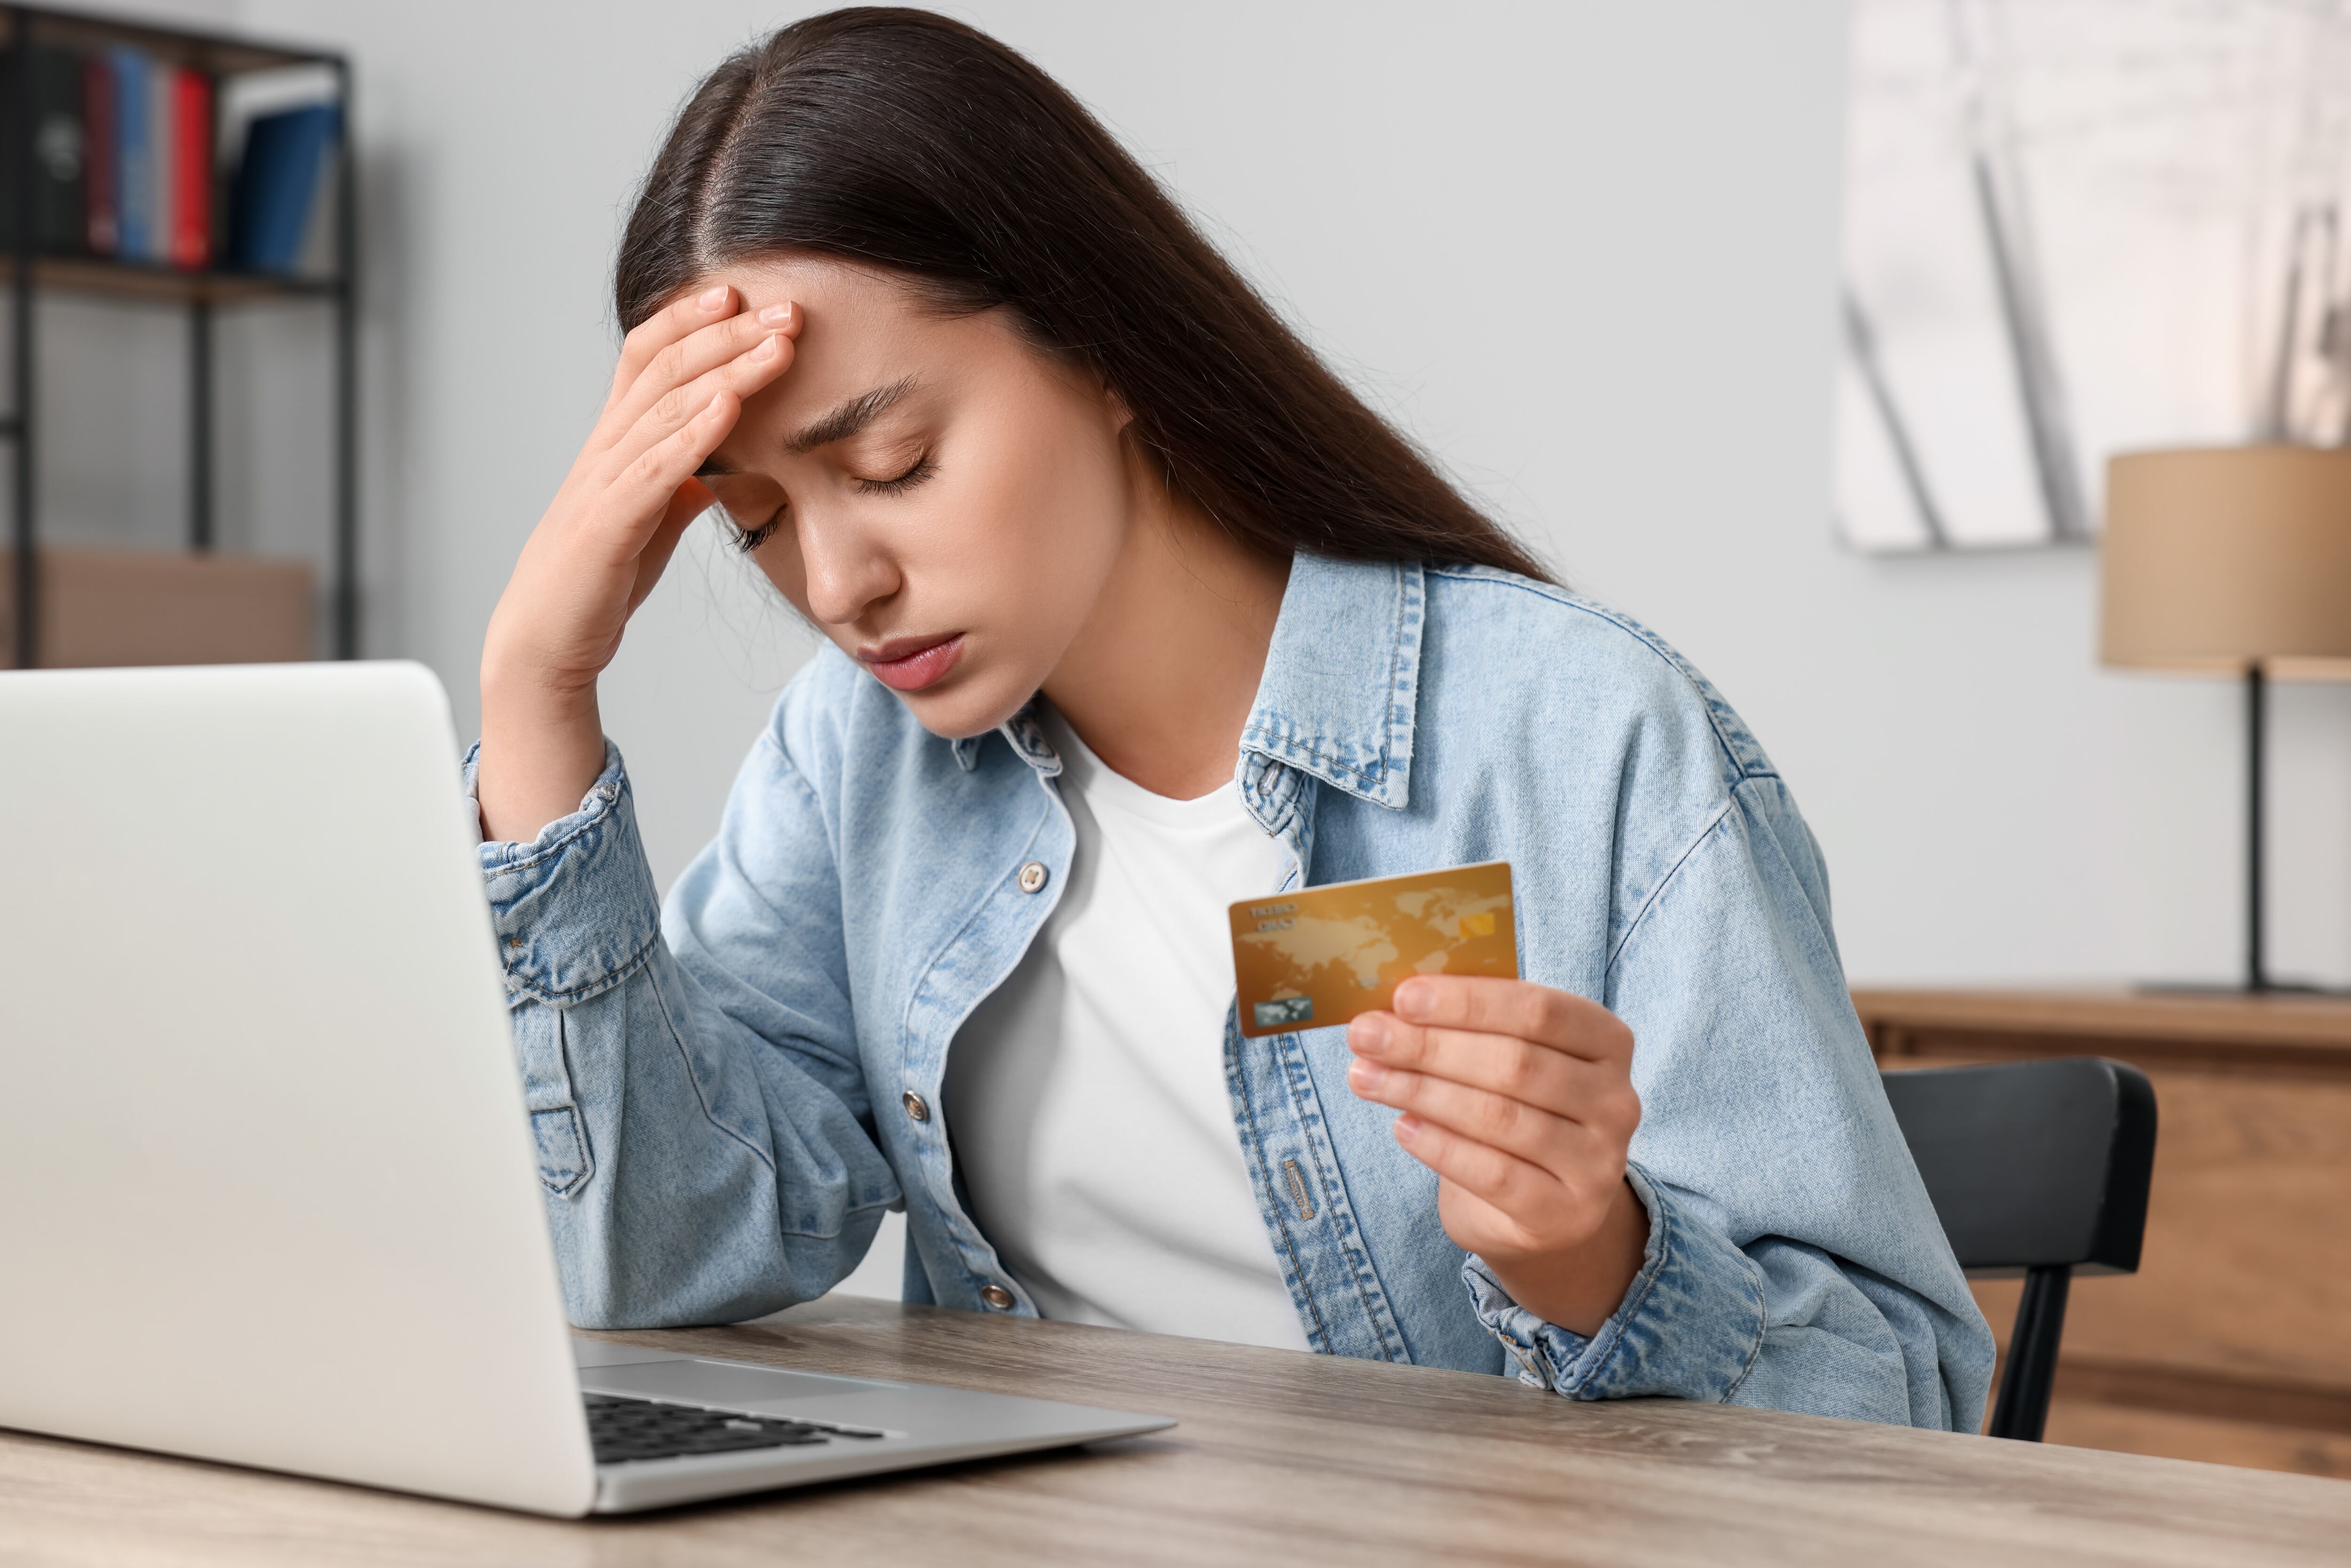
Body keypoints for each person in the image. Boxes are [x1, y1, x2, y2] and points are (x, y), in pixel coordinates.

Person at [472, 6, 1993, 1429]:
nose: (840, 582)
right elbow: (654, 1253)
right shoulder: (854, 761)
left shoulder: (1578, 739)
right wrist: (540, 692)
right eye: (755, 526)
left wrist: (1592, 1262)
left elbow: (1901, 1395)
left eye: (893, 466)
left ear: (1105, 346)